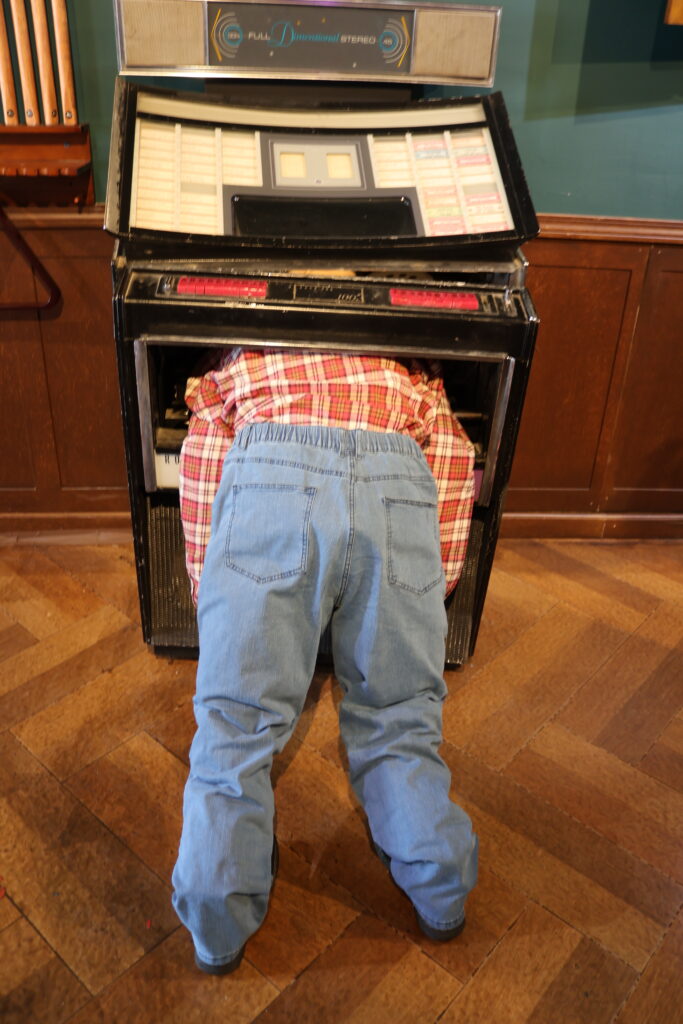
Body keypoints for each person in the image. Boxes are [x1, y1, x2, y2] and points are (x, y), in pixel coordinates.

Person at [171, 346, 479, 975]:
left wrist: (213, 587)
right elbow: (453, 458)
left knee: (236, 724)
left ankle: (217, 919)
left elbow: (204, 458)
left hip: (271, 470)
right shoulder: (408, 377)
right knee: (400, 718)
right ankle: (440, 885)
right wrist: (434, 583)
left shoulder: (243, 366)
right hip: (396, 478)